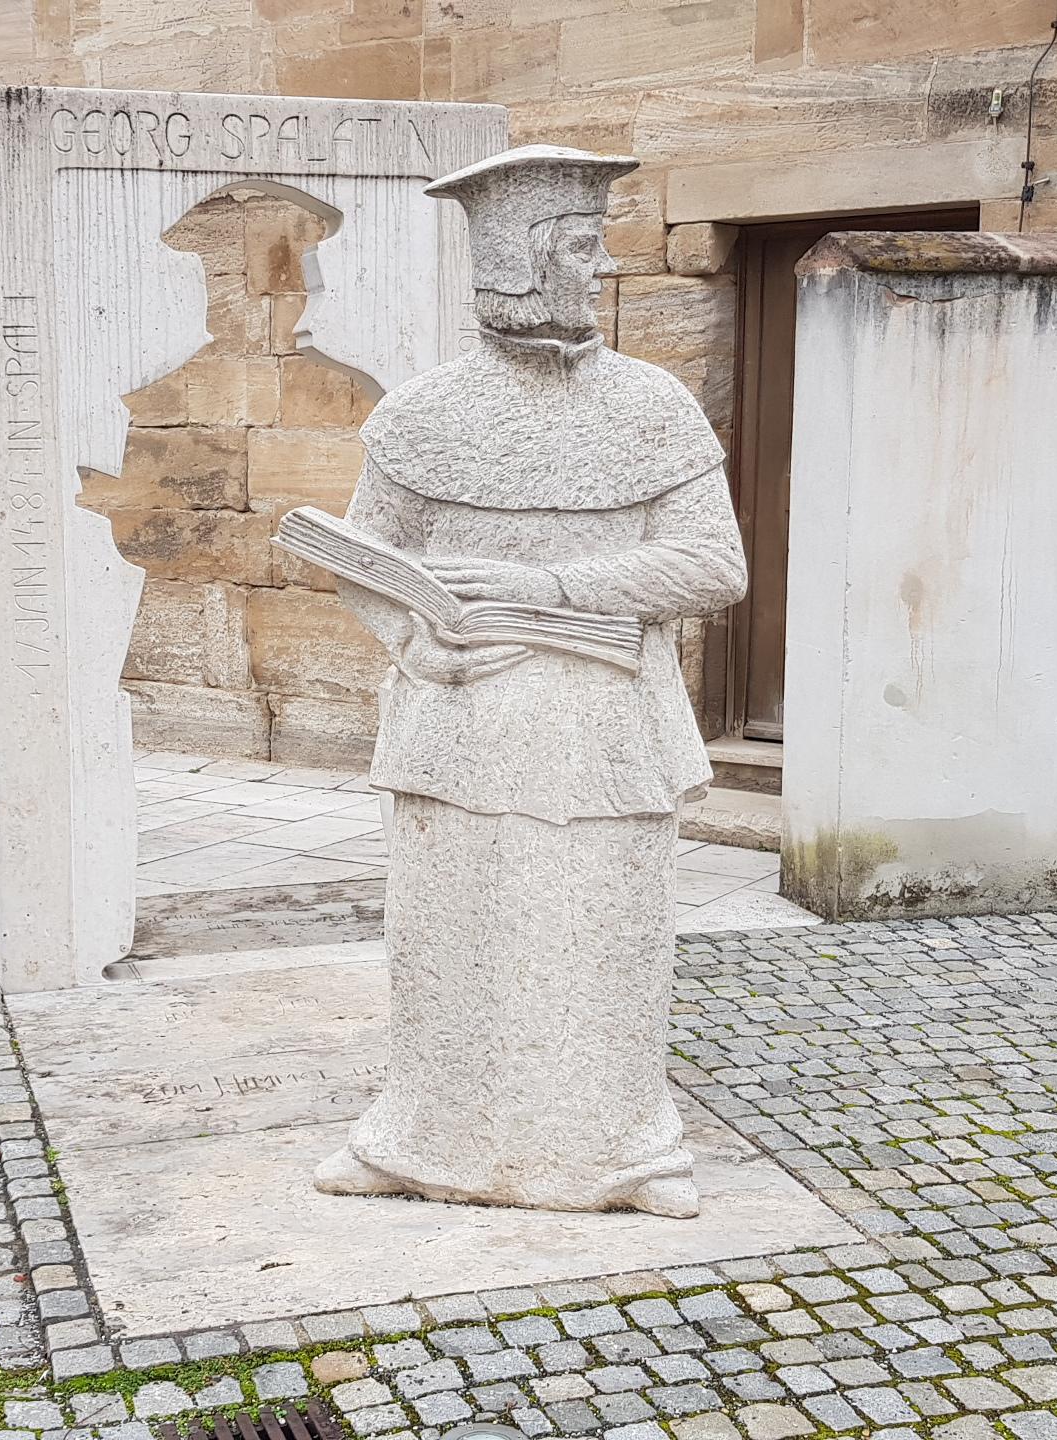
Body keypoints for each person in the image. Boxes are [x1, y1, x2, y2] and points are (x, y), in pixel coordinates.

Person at [313, 144, 748, 1218]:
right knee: (449, 948)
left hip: (603, 720)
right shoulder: (421, 413)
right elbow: (368, 562)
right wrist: (417, 642)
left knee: (602, 946)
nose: (600, 270)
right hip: (460, 719)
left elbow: (712, 566)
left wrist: (545, 581)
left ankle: (622, 1149)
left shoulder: (650, 405)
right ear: (518, 260)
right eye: (583, 246)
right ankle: (422, 1136)